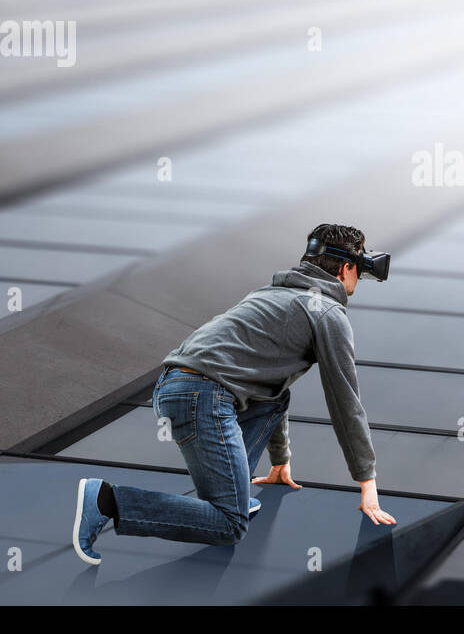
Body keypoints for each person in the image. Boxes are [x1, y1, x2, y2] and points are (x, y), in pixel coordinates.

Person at [71, 222, 395, 565]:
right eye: (358, 271)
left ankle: (234, 492)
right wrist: (368, 485)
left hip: (178, 386)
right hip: (204, 396)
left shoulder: (269, 294)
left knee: (276, 399)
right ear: (346, 268)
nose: (358, 280)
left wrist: (280, 461)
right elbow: (346, 404)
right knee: (230, 524)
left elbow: (272, 387)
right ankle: (106, 500)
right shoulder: (329, 313)